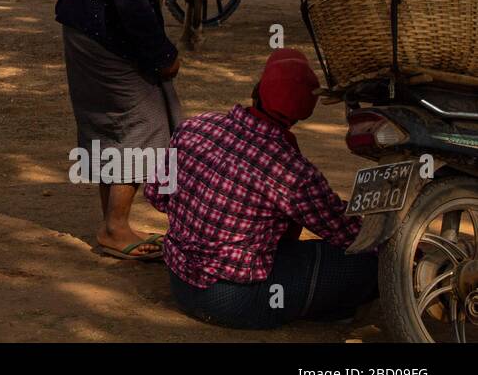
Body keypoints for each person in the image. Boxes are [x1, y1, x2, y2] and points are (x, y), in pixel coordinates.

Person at [55, 0, 246, 261]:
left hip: (88, 28)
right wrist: (161, 54)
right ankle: (115, 227)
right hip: (104, 33)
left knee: (110, 127)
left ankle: (111, 223)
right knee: (147, 125)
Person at [144, 48, 378, 328]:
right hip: (235, 300)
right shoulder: (290, 170)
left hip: (180, 282)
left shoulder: (194, 127)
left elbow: (157, 195)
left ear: (258, 88)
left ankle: (318, 307)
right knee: (369, 264)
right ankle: (327, 308)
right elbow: (348, 232)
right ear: (303, 112)